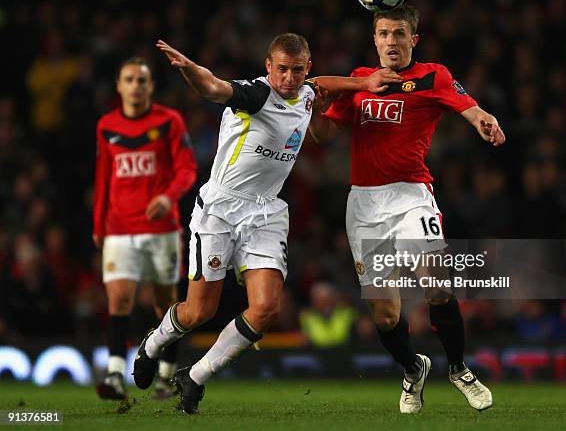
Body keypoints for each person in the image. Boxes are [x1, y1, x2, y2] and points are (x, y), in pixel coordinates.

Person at [132, 34, 396, 414]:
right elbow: (213, 86)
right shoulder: (254, 95)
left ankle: (195, 376)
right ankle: (153, 343)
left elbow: (324, 85)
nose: (289, 78)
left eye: (298, 70)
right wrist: (188, 69)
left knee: (267, 307)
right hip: (220, 209)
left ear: (307, 67)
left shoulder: (306, 92)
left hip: (266, 211)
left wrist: (364, 82)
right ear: (269, 67)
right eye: (282, 69)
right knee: (198, 312)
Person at [310, 4, 505, 414]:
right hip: (363, 203)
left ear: (413, 40)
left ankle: (458, 369)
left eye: (399, 33)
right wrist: (315, 106)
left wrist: (482, 119)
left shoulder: (433, 75)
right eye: (383, 34)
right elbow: (326, 133)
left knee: (436, 282)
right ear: (374, 40)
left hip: (411, 194)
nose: (391, 41)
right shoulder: (360, 81)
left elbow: (468, 107)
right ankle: (413, 368)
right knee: (384, 314)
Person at [93, 57, 197, 400]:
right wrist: (99, 224)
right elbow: (104, 178)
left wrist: (169, 197)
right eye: (129, 80)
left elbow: (186, 170)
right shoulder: (107, 125)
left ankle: (166, 376)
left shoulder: (169, 122)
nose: (135, 85)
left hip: (160, 230)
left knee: (165, 305)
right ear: (119, 86)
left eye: (141, 80)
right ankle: (114, 377)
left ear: (150, 87)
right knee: (119, 300)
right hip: (119, 227)